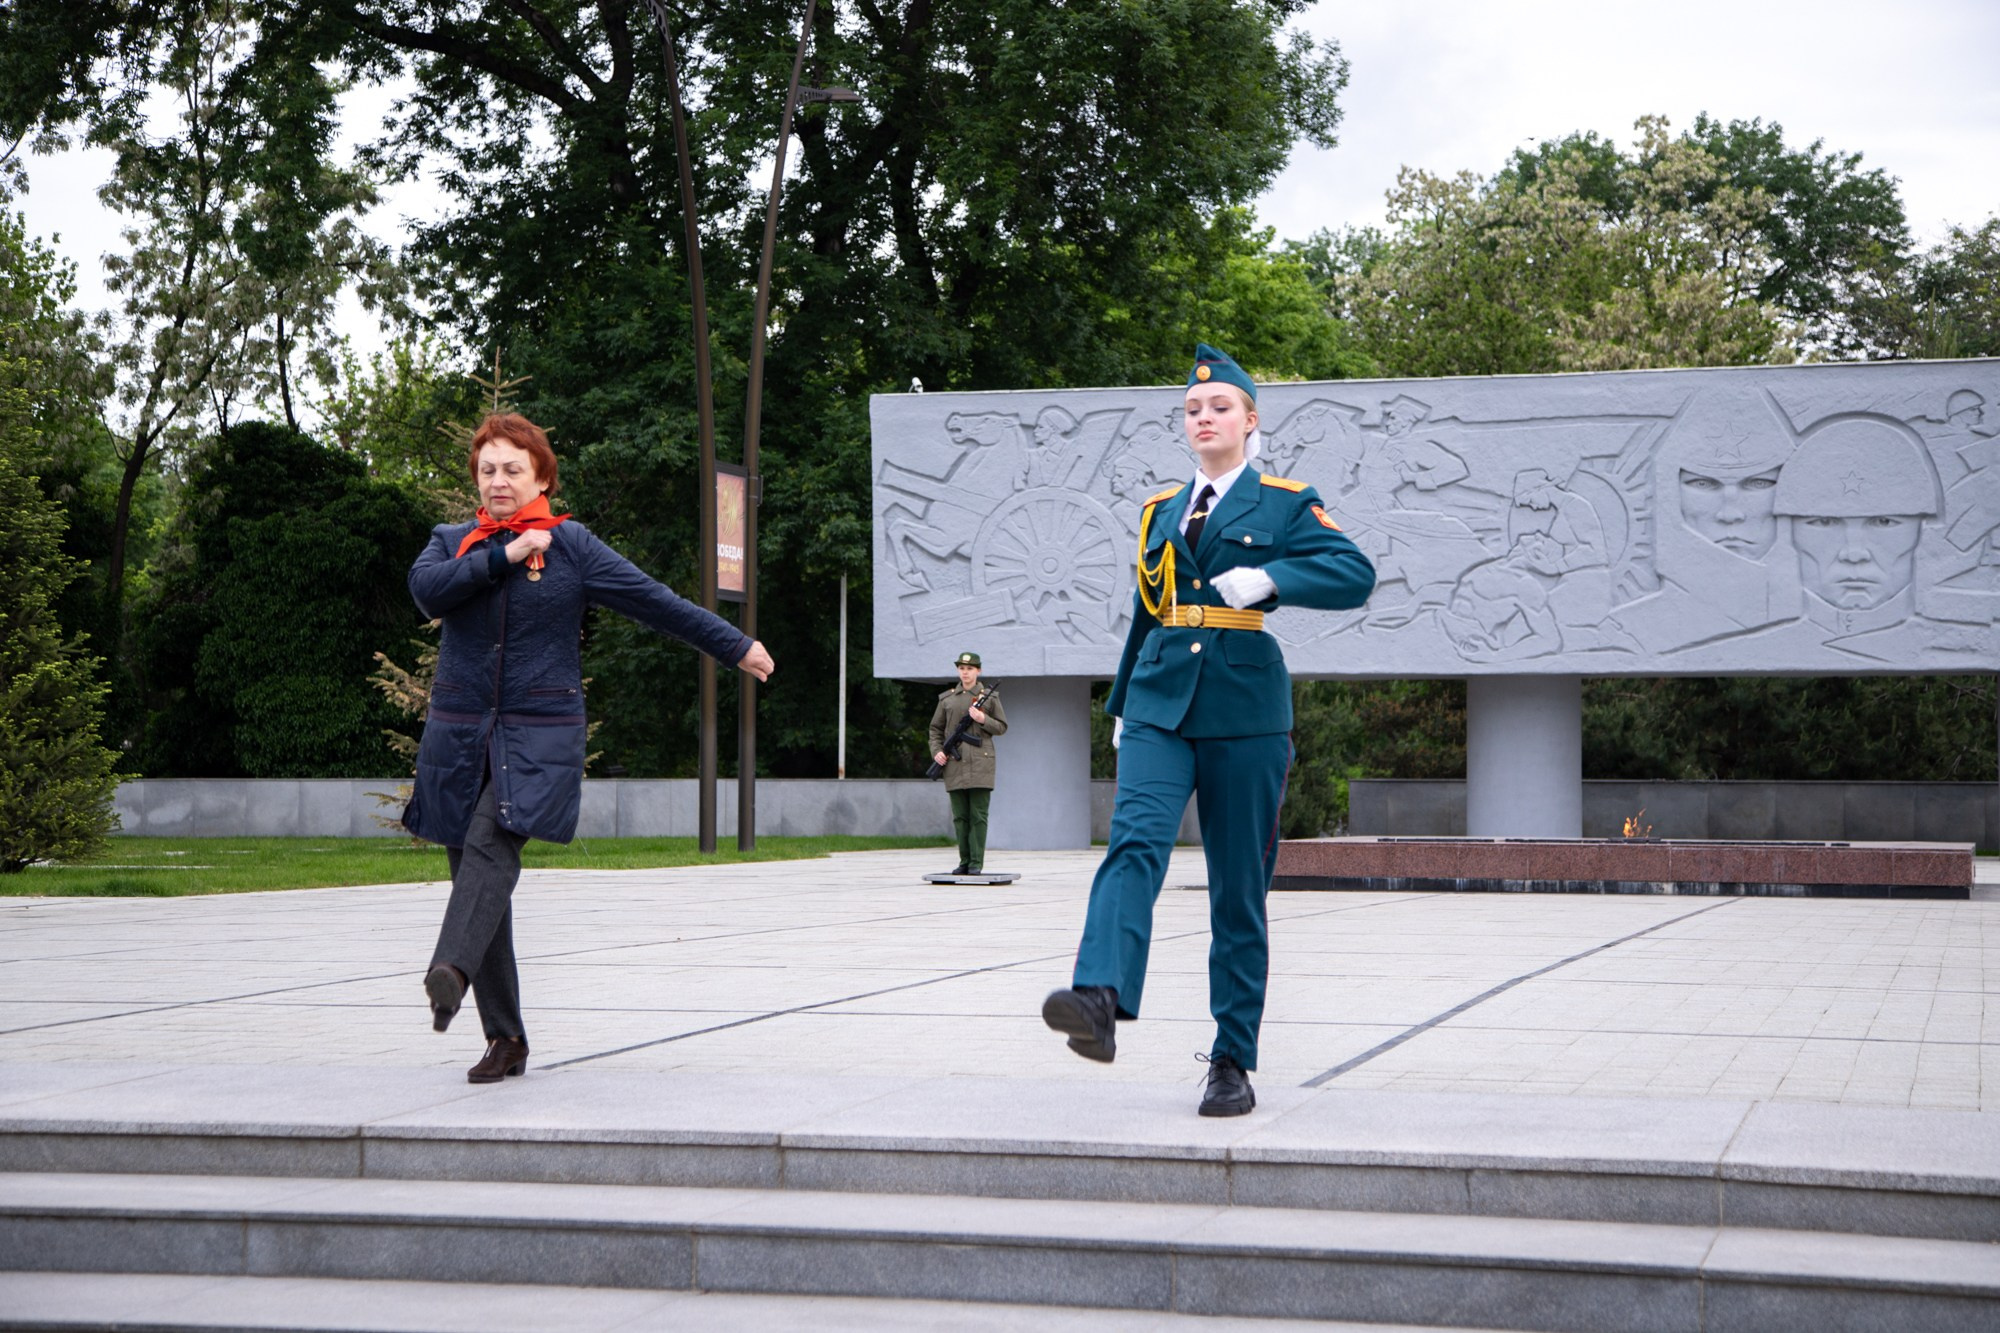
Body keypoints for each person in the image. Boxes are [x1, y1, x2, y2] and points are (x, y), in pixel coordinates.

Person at [1042, 344, 1376, 1117]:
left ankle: (1232, 1058)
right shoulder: (1159, 511)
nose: (1204, 418)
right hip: (1160, 701)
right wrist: (1124, 705)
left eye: (1219, 407)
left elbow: (1354, 572)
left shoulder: (1286, 501)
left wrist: (1275, 578)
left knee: (1237, 890)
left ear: (1250, 420)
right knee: (1133, 844)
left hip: (1245, 712)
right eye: (1192, 410)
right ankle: (1099, 995)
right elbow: (1144, 613)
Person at [404, 412, 774, 1083]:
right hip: (459, 737)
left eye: (513, 468)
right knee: (478, 883)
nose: (499, 481)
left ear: (541, 474)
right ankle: (505, 1036)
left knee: (489, 849)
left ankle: (448, 969)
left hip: (539, 736)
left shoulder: (572, 546)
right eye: (488, 469)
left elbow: (655, 602)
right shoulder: (452, 543)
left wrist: (735, 644)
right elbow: (427, 591)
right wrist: (501, 557)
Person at [928, 650, 1008, 874]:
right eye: (962, 669)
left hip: (981, 763)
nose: (965, 673)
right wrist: (937, 752)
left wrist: (983, 719)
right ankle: (964, 861)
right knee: (960, 816)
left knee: (978, 816)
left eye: (970, 669)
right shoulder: (947, 699)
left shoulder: (990, 698)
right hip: (954, 762)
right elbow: (935, 730)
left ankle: (976, 863)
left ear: (978, 671)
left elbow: (1001, 727)